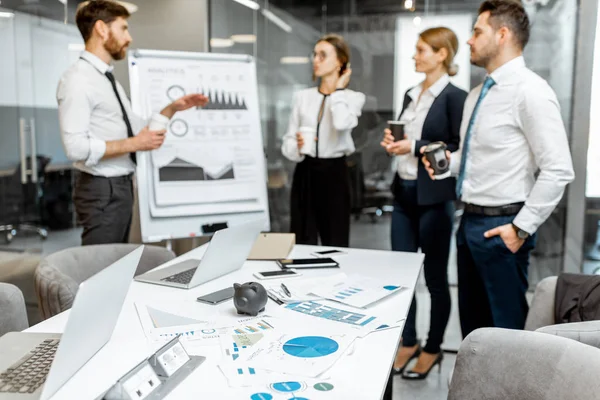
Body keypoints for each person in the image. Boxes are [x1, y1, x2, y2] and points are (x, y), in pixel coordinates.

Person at [422, 0, 574, 338]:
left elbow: (558, 169)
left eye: (477, 31)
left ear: (503, 34)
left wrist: (520, 229)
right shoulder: (477, 93)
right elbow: (472, 155)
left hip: (504, 227)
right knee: (474, 332)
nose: (470, 40)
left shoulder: (531, 91)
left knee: (507, 336)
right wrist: (446, 164)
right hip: (469, 223)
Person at [57, 0, 208, 245]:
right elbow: (75, 147)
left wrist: (172, 109)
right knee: (101, 268)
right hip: (101, 189)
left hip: (119, 187)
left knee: (115, 264)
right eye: (123, 28)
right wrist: (135, 143)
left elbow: (137, 128)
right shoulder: (78, 80)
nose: (129, 37)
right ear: (101, 29)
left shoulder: (106, 79)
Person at [380, 27, 467, 380]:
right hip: (404, 193)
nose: (415, 55)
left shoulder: (455, 97)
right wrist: (393, 140)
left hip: (434, 198)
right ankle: (409, 339)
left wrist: (414, 147)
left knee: (434, 279)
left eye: (421, 50)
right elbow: (403, 134)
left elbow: (458, 147)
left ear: (441, 53)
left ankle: (433, 348)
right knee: (402, 276)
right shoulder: (410, 93)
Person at [281, 34, 365, 247]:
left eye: (322, 55)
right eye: (315, 55)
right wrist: (298, 147)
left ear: (340, 62)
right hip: (305, 172)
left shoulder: (353, 98)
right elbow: (288, 142)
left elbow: (341, 123)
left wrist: (338, 90)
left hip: (335, 173)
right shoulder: (302, 97)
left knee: (335, 240)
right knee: (302, 239)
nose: (315, 60)